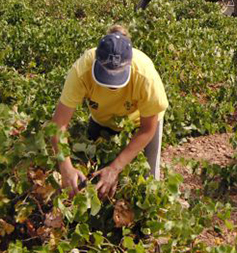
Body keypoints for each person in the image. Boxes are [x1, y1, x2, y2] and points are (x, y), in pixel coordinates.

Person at [51, 25, 169, 198]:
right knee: (89, 176)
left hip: (139, 124)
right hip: (102, 119)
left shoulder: (145, 76)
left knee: (148, 181)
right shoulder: (82, 70)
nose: (112, 85)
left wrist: (116, 168)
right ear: (97, 62)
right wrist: (65, 167)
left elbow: (147, 129)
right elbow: (59, 124)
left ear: (129, 65)